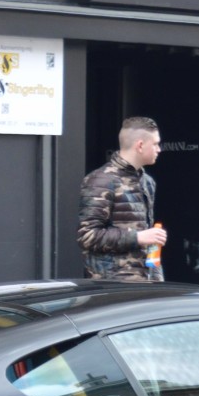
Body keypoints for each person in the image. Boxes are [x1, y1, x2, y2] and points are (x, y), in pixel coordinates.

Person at [78, 116, 167, 282]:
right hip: (112, 287)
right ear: (140, 145)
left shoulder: (146, 182)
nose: (159, 149)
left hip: (143, 284)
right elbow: (87, 235)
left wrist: (156, 278)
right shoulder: (101, 180)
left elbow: (149, 240)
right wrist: (138, 237)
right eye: (155, 144)